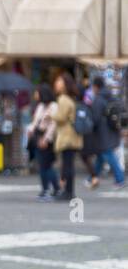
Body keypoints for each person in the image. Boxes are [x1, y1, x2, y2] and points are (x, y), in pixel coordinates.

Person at [85, 76, 126, 190]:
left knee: (107, 154)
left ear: (96, 86)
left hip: (103, 133)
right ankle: (92, 178)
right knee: (100, 156)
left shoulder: (98, 99)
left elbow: (96, 118)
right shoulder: (110, 96)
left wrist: (90, 127)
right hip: (112, 130)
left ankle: (120, 179)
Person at [52, 72, 83, 201]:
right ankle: (69, 191)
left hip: (67, 137)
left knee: (67, 165)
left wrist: (51, 115)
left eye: (59, 81)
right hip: (72, 136)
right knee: (68, 165)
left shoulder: (63, 99)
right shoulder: (71, 98)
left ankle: (68, 192)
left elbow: (61, 117)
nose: (56, 83)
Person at [27, 84, 60, 201]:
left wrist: (46, 139)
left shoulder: (53, 106)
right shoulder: (40, 106)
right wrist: (30, 129)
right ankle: (47, 189)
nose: (36, 95)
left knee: (47, 165)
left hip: (47, 138)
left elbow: (53, 125)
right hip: (37, 136)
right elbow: (35, 121)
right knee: (42, 165)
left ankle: (53, 189)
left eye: (37, 92)